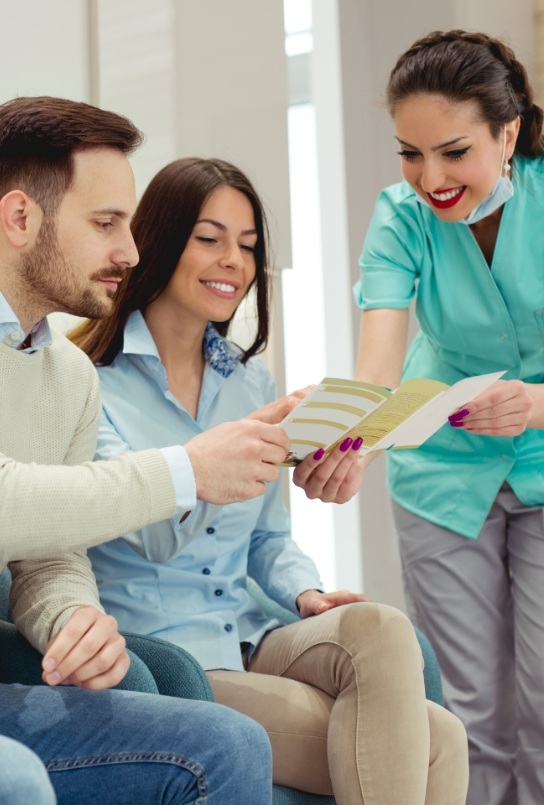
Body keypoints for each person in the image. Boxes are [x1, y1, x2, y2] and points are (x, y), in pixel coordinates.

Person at [71, 156, 469, 805]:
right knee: (437, 740)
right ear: (160, 239)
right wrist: (222, 453)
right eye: (210, 238)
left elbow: (268, 538)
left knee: (385, 632)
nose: (234, 259)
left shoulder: (249, 380)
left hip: (253, 630)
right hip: (168, 655)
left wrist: (305, 591)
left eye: (249, 245)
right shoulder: (91, 383)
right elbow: (153, 538)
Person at [0, 94, 283, 804]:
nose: (129, 250)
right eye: (105, 224)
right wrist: (184, 470)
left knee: (227, 736)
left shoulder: (64, 375)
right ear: (19, 218)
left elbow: (49, 553)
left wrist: (70, 617)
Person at [352, 29, 544, 805]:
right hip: (440, 470)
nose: (429, 178)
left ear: (509, 133)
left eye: (454, 152)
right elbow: (375, 369)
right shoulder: (399, 218)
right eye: (410, 153)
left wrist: (536, 403)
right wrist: (346, 444)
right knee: (471, 714)